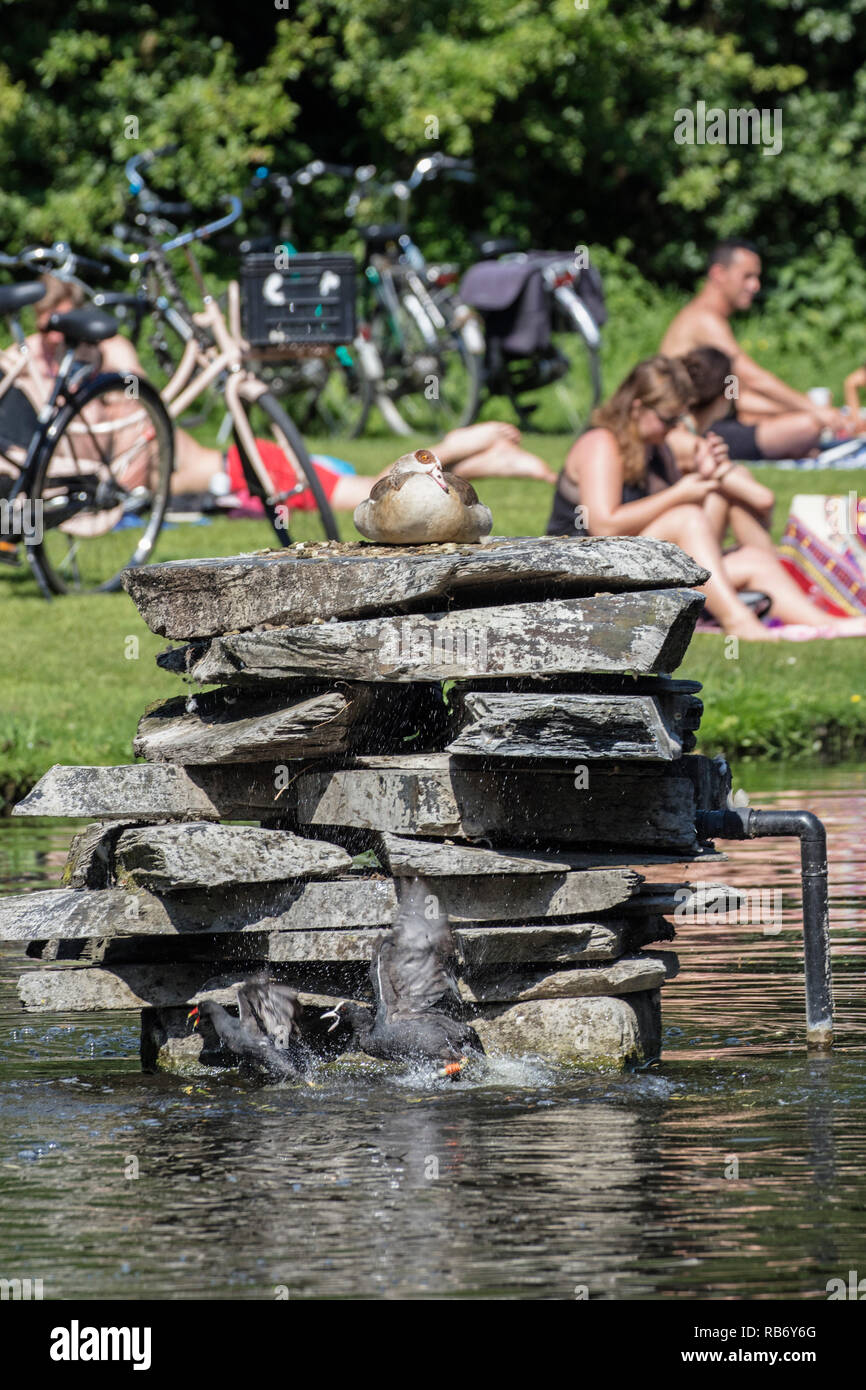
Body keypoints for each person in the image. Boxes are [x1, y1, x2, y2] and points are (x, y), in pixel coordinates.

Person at [24, 276, 557, 512]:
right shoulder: (44, 370)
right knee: (363, 490)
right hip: (230, 478)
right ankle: (484, 460)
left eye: (64, 328)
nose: (55, 339)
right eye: (47, 327)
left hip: (245, 474)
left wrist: (99, 338)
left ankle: (454, 444)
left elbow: (134, 387)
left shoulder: (112, 376)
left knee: (372, 494)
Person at [545, 355, 866, 639]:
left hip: (629, 569)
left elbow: (697, 526)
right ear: (638, 406)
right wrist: (681, 492)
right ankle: (739, 622)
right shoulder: (602, 443)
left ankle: (827, 626)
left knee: (753, 560)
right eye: (667, 419)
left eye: (678, 420)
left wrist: (708, 475)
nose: (672, 429)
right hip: (585, 581)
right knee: (687, 514)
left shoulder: (657, 447)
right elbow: (604, 525)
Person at [660, 240, 847, 459]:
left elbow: (735, 394)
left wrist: (795, 407)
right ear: (719, 273)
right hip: (697, 427)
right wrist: (813, 409)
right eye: (747, 276)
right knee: (807, 426)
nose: (755, 285)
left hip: (719, 418)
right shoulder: (703, 320)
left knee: (801, 423)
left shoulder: (712, 320)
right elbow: (754, 378)